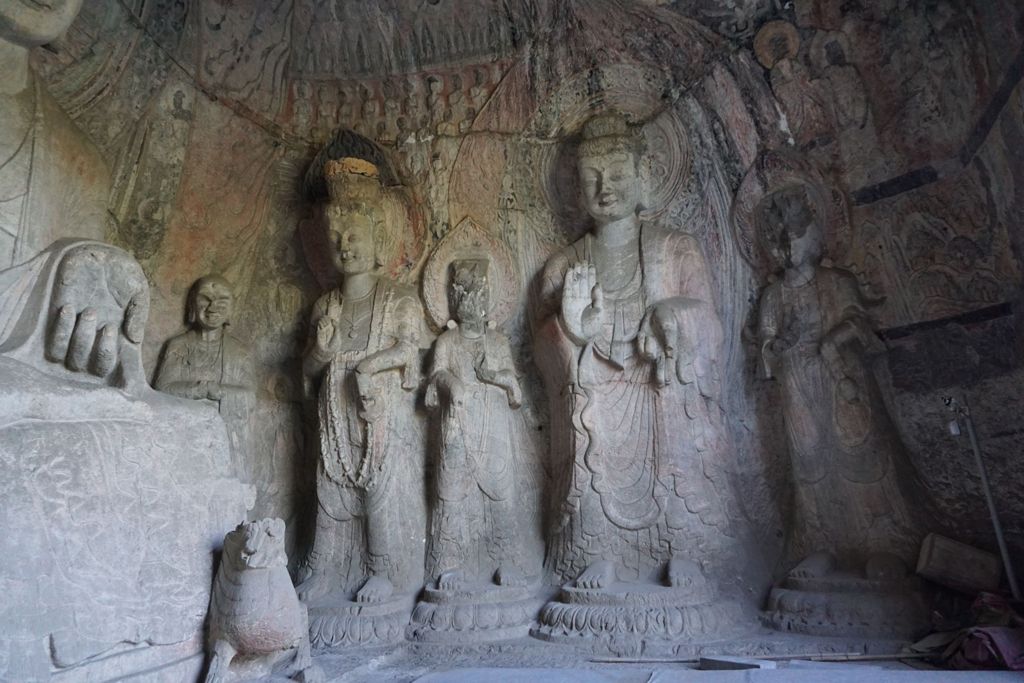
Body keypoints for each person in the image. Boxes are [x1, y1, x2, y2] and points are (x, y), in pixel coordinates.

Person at [536, 112, 736, 591]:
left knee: (675, 433)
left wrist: (673, 315)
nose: (606, 188)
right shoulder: (565, 264)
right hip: (596, 392)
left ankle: (681, 548)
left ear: (644, 177)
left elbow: (709, 323)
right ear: (575, 189)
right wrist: (572, 328)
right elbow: (542, 349)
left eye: (620, 175)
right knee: (590, 441)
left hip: (661, 388)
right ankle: (596, 552)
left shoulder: (676, 248)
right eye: (592, 178)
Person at [756, 184, 924, 579]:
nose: (788, 246)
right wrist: (782, 342)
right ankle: (819, 545)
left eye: (796, 234)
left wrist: (836, 338)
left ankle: (882, 544)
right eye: (780, 239)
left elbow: (861, 323)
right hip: (798, 382)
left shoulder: (837, 281)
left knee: (860, 451)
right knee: (808, 461)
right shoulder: (773, 296)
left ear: (813, 233)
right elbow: (766, 348)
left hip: (840, 376)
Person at [296, 157, 424, 604]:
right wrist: (321, 351)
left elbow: (410, 353)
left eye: (354, 236)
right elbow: (307, 373)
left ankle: (384, 569)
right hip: (334, 417)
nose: (344, 245)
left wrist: (371, 368)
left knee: (381, 489)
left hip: (382, 420)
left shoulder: (400, 300)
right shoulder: (324, 307)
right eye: (335, 238)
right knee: (328, 490)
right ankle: (325, 566)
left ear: (378, 243)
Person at [425, 258, 524, 590]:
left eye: (477, 292)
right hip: (457, 425)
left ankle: (505, 560)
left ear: (488, 297)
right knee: (453, 495)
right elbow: (434, 379)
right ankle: (450, 563)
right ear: (452, 298)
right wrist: (450, 384)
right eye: (462, 291)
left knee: (501, 495)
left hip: (493, 426)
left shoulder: (497, 343)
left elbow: (514, 386)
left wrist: (492, 376)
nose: (469, 299)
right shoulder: (447, 343)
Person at [155, 275, 254, 415]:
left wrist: (219, 391)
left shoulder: (239, 351)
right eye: (205, 299)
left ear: (232, 307)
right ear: (192, 305)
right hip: (183, 424)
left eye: (222, 300)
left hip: (225, 427)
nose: (213, 307)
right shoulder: (178, 345)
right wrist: (197, 390)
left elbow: (250, 397)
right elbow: (162, 390)